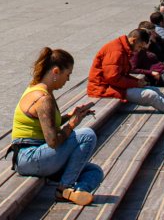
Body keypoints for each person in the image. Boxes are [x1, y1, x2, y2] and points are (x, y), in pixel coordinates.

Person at [11, 47, 101, 206]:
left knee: (94, 171)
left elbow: (48, 124)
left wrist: (71, 115)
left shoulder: (38, 89)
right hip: (29, 156)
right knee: (87, 134)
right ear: (56, 71)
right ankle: (64, 188)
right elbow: (52, 140)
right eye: (68, 75)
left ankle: (75, 192)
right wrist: (72, 125)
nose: (68, 80)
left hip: (39, 155)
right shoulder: (42, 98)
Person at [87, 28, 164, 113]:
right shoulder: (116, 51)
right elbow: (112, 78)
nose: (139, 50)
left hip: (114, 86)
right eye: (139, 47)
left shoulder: (123, 48)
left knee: (155, 90)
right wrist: (136, 83)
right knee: (151, 95)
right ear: (133, 40)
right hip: (103, 88)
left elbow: (120, 75)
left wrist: (137, 81)